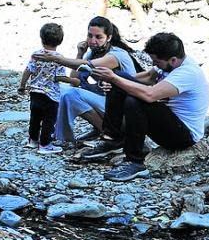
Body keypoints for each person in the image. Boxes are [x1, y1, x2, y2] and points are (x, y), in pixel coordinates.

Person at [91, 33, 209, 182]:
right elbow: (148, 77)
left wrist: (115, 79)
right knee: (120, 81)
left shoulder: (187, 73)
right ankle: (113, 137)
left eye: (157, 62)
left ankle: (135, 161)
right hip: (170, 123)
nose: (155, 65)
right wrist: (115, 80)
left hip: (184, 135)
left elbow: (150, 95)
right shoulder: (172, 63)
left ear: (173, 60)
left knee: (134, 100)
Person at [32, 16, 139, 144]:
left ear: (109, 37)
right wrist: (80, 54)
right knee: (62, 90)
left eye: (98, 37)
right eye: (90, 36)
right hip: (110, 105)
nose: (93, 41)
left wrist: (57, 59)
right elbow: (74, 80)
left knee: (71, 94)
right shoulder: (92, 53)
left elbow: (87, 66)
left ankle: (114, 137)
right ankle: (99, 130)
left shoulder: (116, 55)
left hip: (125, 111)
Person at [18, 23, 66, 153]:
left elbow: (28, 70)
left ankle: (33, 140)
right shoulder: (59, 59)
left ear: (41, 38)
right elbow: (59, 77)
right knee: (48, 120)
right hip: (51, 95)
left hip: (35, 92)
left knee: (35, 118)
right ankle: (45, 145)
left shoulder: (36, 55)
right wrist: (72, 80)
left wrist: (22, 85)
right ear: (60, 41)